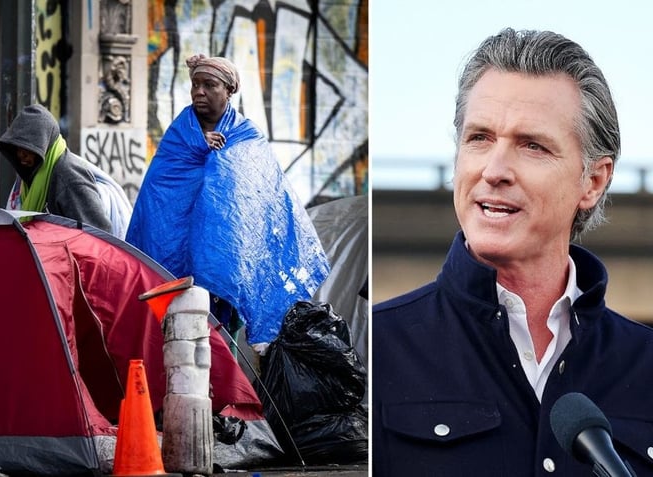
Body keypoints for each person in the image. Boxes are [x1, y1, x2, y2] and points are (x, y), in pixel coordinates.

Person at [372, 28, 653, 476]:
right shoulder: (377, 348)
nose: (494, 170)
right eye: (479, 138)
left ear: (593, 181)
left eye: (532, 145)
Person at [125, 54, 329, 353]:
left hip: (228, 260)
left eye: (209, 85)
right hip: (174, 263)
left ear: (229, 91)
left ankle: (226, 395)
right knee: (176, 345)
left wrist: (222, 161)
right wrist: (199, 149)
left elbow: (258, 200)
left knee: (221, 346)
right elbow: (159, 195)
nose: (199, 92)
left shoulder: (246, 137)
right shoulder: (178, 136)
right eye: (195, 84)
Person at [0, 104, 114, 234]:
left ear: (44, 146)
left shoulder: (69, 179)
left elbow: (100, 236)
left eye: (27, 149)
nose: (20, 155)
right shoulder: (29, 175)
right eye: (17, 149)